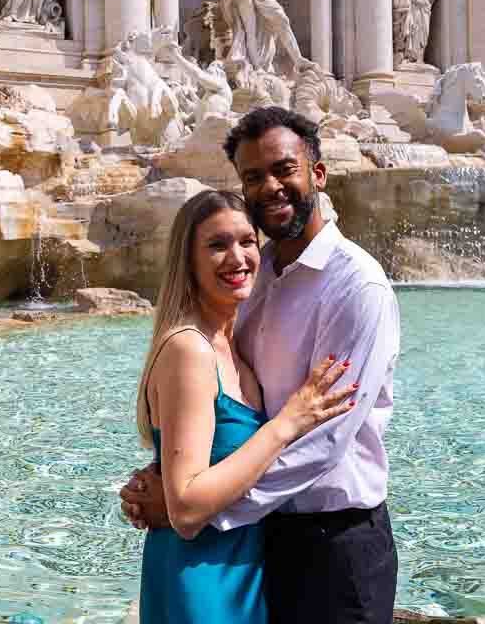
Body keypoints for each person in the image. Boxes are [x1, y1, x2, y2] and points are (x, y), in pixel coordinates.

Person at [122, 107, 402, 623]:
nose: (271, 186)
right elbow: (216, 415)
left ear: (317, 173)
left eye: (284, 169)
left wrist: (194, 509)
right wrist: (164, 480)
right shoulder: (255, 280)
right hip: (258, 541)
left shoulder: (357, 287)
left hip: (333, 546)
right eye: (254, 176)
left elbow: (325, 443)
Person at [135, 188, 358, 624]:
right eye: (217, 245)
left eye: (246, 241)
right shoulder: (190, 350)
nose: (237, 258)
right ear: (188, 260)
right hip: (201, 581)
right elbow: (185, 508)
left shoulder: (235, 348)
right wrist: (287, 423)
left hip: (243, 571)